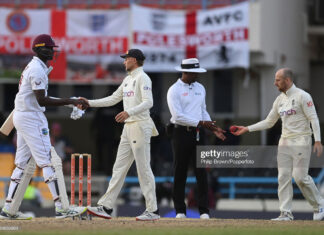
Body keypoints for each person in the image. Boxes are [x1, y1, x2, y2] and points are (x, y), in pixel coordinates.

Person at [0, 34, 88, 220]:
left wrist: (68, 102)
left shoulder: (36, 67)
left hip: (23, 115)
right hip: (32, 118)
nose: (53, 51)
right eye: (50, 48)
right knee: (49, 161)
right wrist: (70, 100)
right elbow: (42, 99)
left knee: (21, 165)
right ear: (41, 49)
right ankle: (61, 208)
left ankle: (8, 210)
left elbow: (39, 98)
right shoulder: (37, 70)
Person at [233, 68, 324, 221]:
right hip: (284, 142)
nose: (275, 83)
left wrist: (318, 141)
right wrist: (247, 128)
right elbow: (269, 122)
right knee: (283, 177)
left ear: (287, 80)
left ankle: (319, 205)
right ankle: (285, 213)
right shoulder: (279, 100)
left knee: (300, 177)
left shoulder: (303, 96)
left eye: (278, 80)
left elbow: (313, 119)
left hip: (302, 140)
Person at [84, 49, 160, 221]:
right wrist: (89, 103)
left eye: (126, 59)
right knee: (119, 168)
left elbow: (149, 102)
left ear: (133, 60)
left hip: (139, 125)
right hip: (128, 128)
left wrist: (129, 112)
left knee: (143, 168)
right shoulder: (127, 80)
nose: (124, 62)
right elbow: (112, 99)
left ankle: (152, 210)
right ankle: (106, 206)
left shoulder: (143, 77)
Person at [166, 58, 226, 219]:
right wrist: (201, 122)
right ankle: (180, 210)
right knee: (180, 172)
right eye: (194, 73)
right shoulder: (174, 90)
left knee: (202, 173)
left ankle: (204, 211)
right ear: (185, 72)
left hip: (199, 134)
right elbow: (177, 116)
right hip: (180, 134)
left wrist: (213, 128)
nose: (197, 76)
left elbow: (203, 110)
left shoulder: (200, 87)